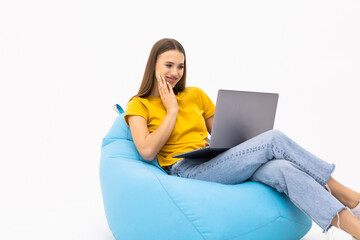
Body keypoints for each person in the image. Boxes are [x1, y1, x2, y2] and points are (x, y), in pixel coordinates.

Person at [124, 38, 360, 239]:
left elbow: (224, 134)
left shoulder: (195, 94)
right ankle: (348, 195)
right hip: (186, 170)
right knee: (273, 139)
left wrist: (223, 142)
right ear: (153, 65)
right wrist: (171, 110)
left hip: (216, 162)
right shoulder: (139, 104)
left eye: (180, 66)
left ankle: (355, 229)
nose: (175, 73)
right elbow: (146, 151)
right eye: (168, 65)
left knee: (283, 168)